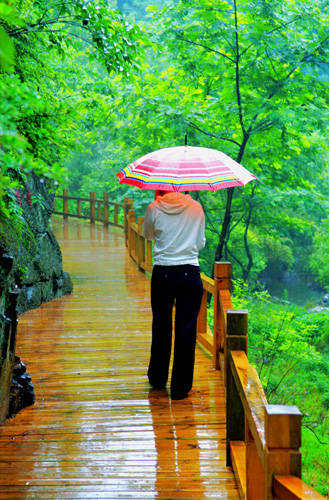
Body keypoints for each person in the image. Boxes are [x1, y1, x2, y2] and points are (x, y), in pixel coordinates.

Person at [142, 189, 206, 400]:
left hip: (163, 272)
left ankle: (158, 378)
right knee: (186, 328)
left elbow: (148, 235)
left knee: (161, 324)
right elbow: (200, 244)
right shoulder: (196, 208)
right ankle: (180, 388)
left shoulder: (154, 208)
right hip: (189, 273)